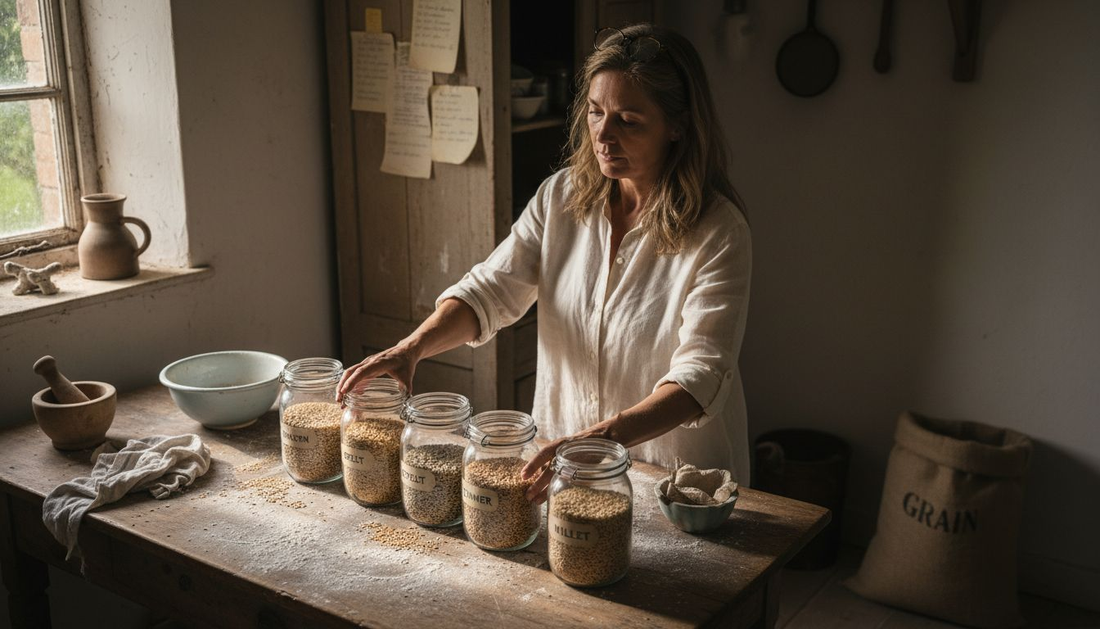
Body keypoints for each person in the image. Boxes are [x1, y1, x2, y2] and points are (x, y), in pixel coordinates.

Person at [337, 23, 751, 502]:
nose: (604, 135)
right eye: (596, 113)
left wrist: (596, 441)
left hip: (674, 479)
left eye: (629, 120)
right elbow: (492, 289)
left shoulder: (719, 232)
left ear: (677, 126)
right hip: (564, 462)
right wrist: (411, 348)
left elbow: (698, 378)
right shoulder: (562, 198)